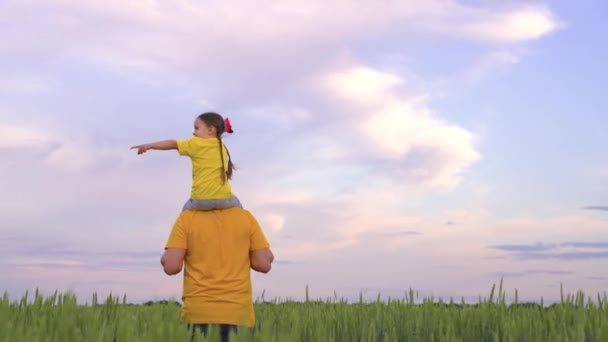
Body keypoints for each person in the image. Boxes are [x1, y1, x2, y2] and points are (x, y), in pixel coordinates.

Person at [161, 206, 274, 341]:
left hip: (197, 315)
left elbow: (171, 266)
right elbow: (263, 264)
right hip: (238, 315)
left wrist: (166, 257)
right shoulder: (246, 218)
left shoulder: (186, 218)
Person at [131, 112, 243, 211]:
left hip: (200, 199)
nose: (194, 133)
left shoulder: (196, 143)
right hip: (224, 199)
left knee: (185, 215)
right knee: (240, 209)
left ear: (210, 130)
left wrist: (149, 145)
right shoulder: (222, 146)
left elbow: (172, 144)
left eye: (197, 128)